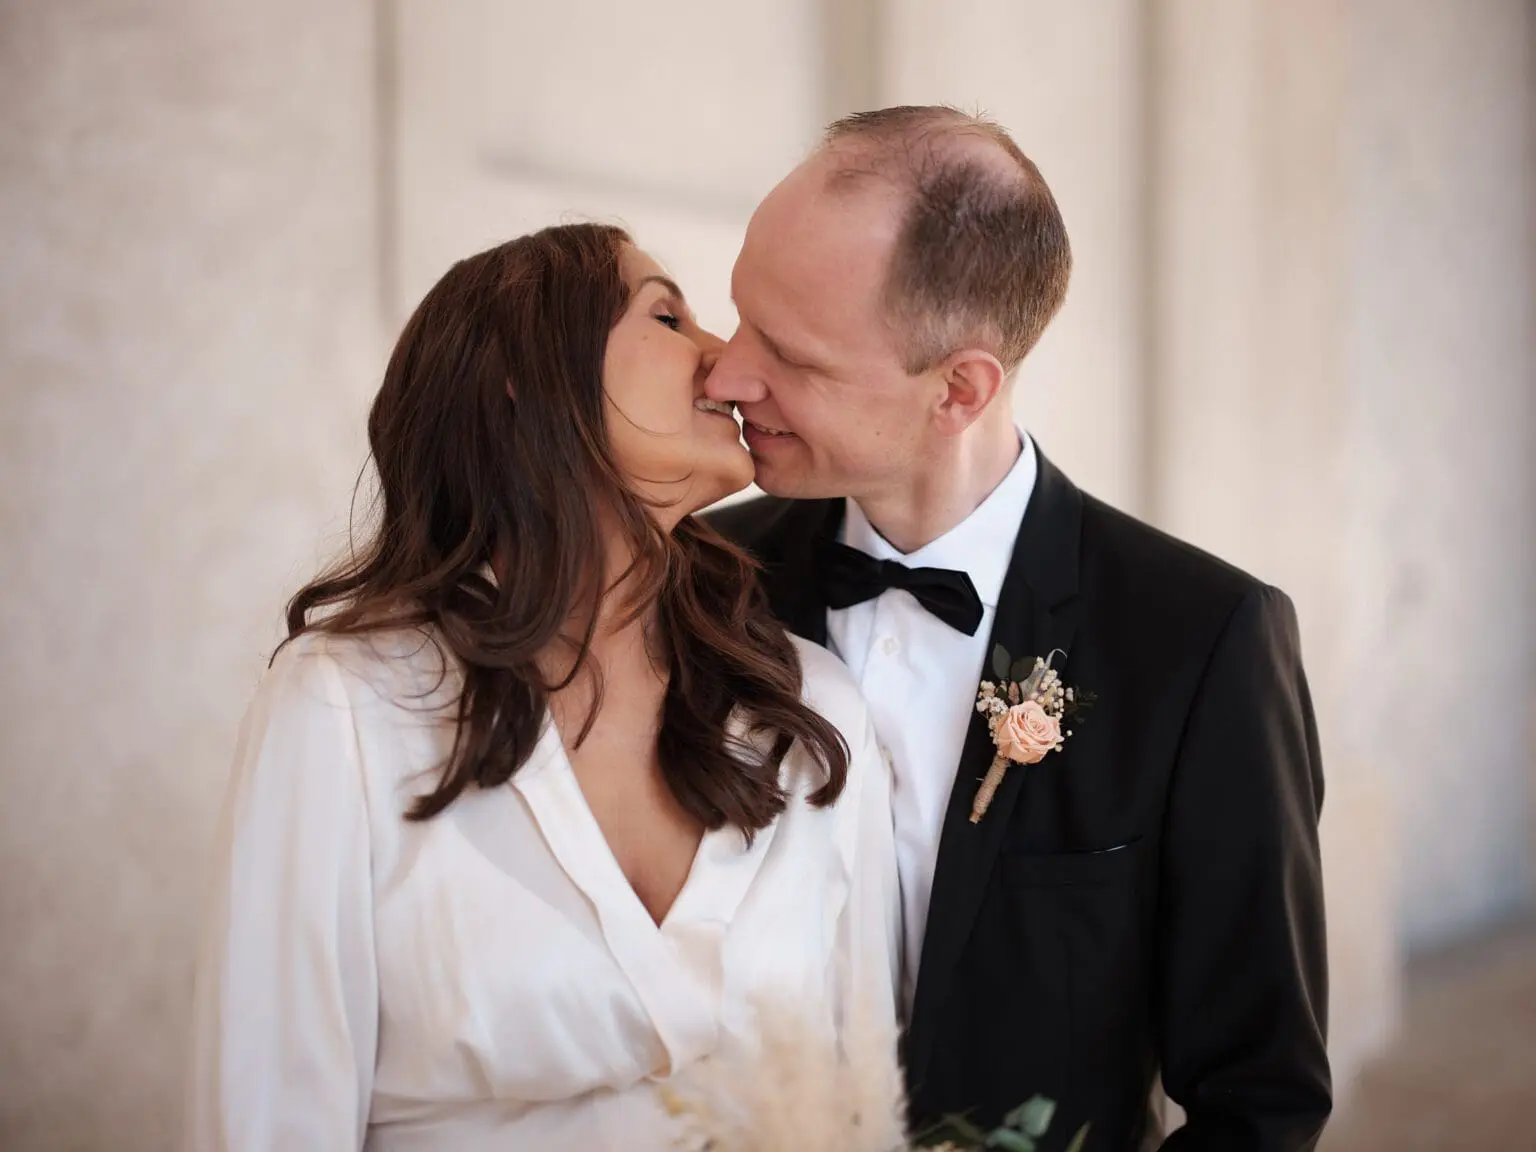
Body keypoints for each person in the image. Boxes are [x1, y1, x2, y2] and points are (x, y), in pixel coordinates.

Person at [184, 223, 901, 1151]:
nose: (722, 359)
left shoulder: (810, 711)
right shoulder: (346, 708)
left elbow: (866, 1109)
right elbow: (266, 1116)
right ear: (522, 376)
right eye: (667, 315)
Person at [706, 106, 1332, 1150]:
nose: (726, 377)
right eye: (737, 317)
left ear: (960, 387)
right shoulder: (695, 588)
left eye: (792, 356)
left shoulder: (1203, 641)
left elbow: (1258, 1103)